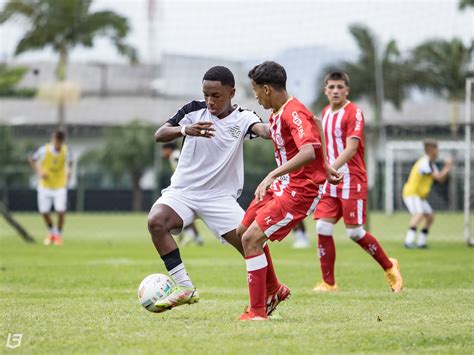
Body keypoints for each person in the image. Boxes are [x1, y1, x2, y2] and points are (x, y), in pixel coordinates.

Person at [147, 66, 272, 313]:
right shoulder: (193, 111)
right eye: (206, 94)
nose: (210, 101)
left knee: (253, 243)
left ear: (232, 93)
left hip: (220, 198)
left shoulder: (244, 118)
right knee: (156, 221)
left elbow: (265, 131)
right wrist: (184, 129)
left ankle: (271, 293)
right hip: (183, 191)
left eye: (217, 95)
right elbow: (160, 134)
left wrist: (288, 119)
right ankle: (185, 288)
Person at [237, 61, 342, 321]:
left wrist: (273, 174)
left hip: (300, 191)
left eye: (256, 91)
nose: (256, 96)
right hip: (284, 186)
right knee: (243, 232)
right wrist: (326, 164)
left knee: (251, 239)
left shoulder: (292, 112)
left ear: (267, 89)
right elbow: (316, 124)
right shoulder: (279, 112)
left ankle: (258, 311)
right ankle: (274, 289)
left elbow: (307, 150)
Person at [312, 71, 403, 293]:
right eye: (331, 87)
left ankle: (390, 267)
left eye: (339, 87)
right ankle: (329, 283)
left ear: (347, 90)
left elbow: (352, 148)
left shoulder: (354, 112)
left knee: (354, 232)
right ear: (325, 90)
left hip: (352, 180)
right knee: (322, 226)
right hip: (331, 182)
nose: (335, 91)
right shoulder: (324, 113)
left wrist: (330, 168)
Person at [402, 139, 453, 248]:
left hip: (420, 196)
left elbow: (441, 180)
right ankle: (408, 241)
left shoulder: (431, 164)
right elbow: (439, 177)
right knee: (419, 213)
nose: (438, 152)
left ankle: (421, 242)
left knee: (430, 216)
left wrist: (447, 169)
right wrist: (447, 167)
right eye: (436, 149)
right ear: (431, 150)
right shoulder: (424, 162)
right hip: (412, 193)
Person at [28, 130, 72, 246]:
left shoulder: (66, 151)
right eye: (55, 140)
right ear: (53, 140)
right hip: (45, 186)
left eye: (59, 141)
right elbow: (32, 159)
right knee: (44, 211)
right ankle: (52, 232)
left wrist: (68, 178)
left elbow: (70, 164)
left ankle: (58, 234)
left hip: (59, 186)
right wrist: (39, 172)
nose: (57, 143)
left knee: (60, 210)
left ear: (62, 141)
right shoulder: (44, 150)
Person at [161, 142, 204, 246]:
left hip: (188, 187)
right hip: (188, 187)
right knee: (186, 212)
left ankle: (191, 235)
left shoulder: (175, 156)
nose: (162, 153)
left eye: (163, 150)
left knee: (183, 211)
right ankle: (193, 236)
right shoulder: (176, 155)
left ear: (168, 149)